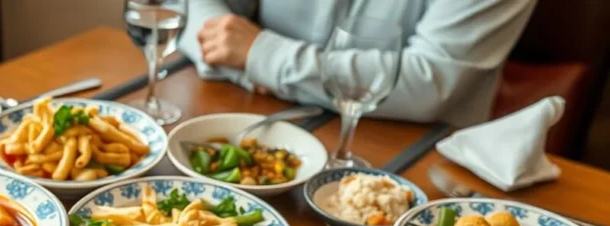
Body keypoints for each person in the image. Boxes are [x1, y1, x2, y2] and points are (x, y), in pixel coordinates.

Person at [178, 0, 537, 126]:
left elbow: (429, 82)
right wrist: (252, 68)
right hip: (257, 116)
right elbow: (193, 8)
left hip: (404, 163)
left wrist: (262, 57)